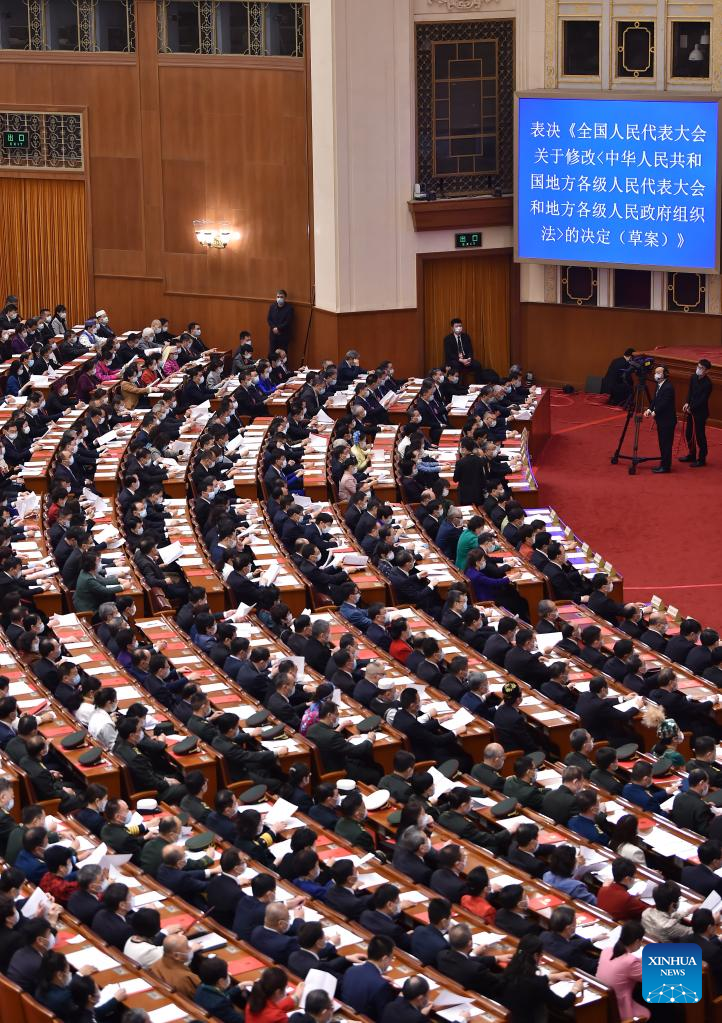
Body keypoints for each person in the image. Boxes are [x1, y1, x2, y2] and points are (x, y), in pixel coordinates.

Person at [501, 933, 580, 1023]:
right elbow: (563, 1004)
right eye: (541, 955)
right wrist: (575, 989)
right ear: (535, 956)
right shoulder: (537, 984)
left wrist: (551, 977)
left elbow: (528, 981)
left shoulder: (510, 969)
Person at [596, 921, 649, 1022]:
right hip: (620, 1007)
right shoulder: (630, 961)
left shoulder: (606, 950)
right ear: (638, 941)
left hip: (605, 1003)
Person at [643, 364, 677, 473]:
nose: (656, 375)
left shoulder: (668, 387)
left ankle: (666, 466)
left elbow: (664, 403)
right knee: (662, 443)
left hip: (667, 421)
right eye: (655, 372)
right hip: (661, 420)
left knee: (666, 444)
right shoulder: (659, 385)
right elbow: (655, 399)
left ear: (665, 374)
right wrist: (649, 409)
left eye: (659, 373)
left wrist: (654, 412)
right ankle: (663, 463)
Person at [680, 358, 712, 467]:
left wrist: (691, 407)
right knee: (689, 434)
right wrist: (687, 403)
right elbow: (690, 392)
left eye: (701, 368)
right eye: (698, 366)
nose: (698, 369)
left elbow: (702, 399)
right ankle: (691, 454)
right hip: (690, 410)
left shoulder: (708, 384)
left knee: (699, 435)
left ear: (707, 371)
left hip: (700, 413)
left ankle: (702, 459)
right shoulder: (693, 377)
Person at [267, 290, 294, 354]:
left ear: (285, 298)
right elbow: (269, 319)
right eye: (278, 297)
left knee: (282, 355)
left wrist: (278, 328)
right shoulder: (272, 306)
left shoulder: (289, 308)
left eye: (281, 297)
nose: (279, 298)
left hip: (283, 335)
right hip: (273, 334)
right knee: (272, 354)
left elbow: (288, 322)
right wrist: (274, 328)